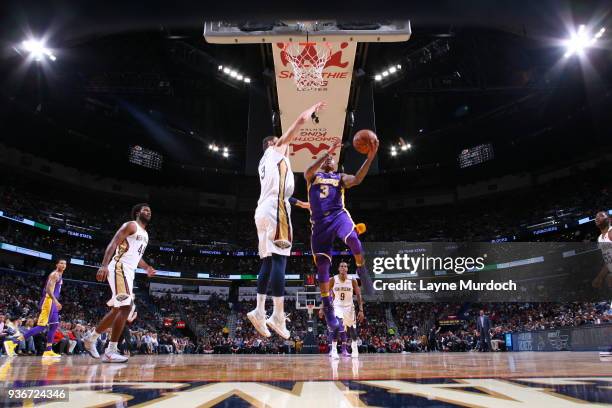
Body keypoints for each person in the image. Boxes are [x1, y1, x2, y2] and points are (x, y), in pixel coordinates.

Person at [247, 102, 327, 340]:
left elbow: (280, 191)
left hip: (264, 209)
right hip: (275, 209)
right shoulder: (275, 151)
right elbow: (299, 123)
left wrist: (300, 204)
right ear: (272, 144)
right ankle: (277, 316)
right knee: (281, 260)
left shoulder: (266, 162)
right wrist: (311, 109)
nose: (287, 143)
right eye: (281, 140)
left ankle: (260, 310)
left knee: (268, 262)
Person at [304, 136, 379, 332]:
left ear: (337, 163)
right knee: (322, 268)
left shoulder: (340, 177)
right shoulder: (313, 176)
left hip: (338, 215)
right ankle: (327, 306)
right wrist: (327, 152)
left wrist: (369, 158)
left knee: (354, 238)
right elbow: (308, 171)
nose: (330, 160)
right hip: (319, 223)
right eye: (328, 158)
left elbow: (357, 179)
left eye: (333, 158)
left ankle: (362, 270)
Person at [83, 204, 156, 363]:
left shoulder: (146, 234)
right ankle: (111, 351)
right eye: (145, 210)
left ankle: (91, 338)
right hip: (119, 266)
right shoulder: (131, 225)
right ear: (137, 213)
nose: (148, 212)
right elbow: (114, 243)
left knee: (118, 309)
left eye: (149, 211)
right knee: (126, 307)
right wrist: (103, 264)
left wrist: (147, 267)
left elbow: (137, 258)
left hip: (130, 271)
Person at [4, 259, 67, 358]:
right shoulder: (55, 274)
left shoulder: (60, 275)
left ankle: (48, 350)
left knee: (54, 325)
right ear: (57, 265)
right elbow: (48, 289)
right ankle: (13, 342)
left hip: (53, 303)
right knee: (41, 326)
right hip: (49, 301)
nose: (63, 265)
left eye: (65, 264)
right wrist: (55, 300)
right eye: (61, 263)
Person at [326, 261, 365, 359]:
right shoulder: (333, 280)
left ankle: (354, 347)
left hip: (349, 307)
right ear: (339, 269)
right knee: (337, 325)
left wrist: (361, 310)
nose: (343, 268)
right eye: (341, 266)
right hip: (337, 306)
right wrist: (323, 306)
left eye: (345, 266)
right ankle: (334, 350)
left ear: (347, 269)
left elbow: (359, 295)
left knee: (352, 330)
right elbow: (325, 293)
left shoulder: (352, 280)